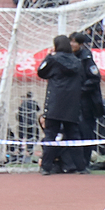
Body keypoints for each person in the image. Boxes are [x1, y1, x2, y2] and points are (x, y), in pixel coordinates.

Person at [37, 34, 86, 175]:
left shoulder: (53, 60)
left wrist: (48, 56)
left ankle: (45, 167)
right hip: (72, 104)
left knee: (50, 135)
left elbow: (41, 72)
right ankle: (81, 167)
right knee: (74, 137)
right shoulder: (77, 62)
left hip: (55, 103)